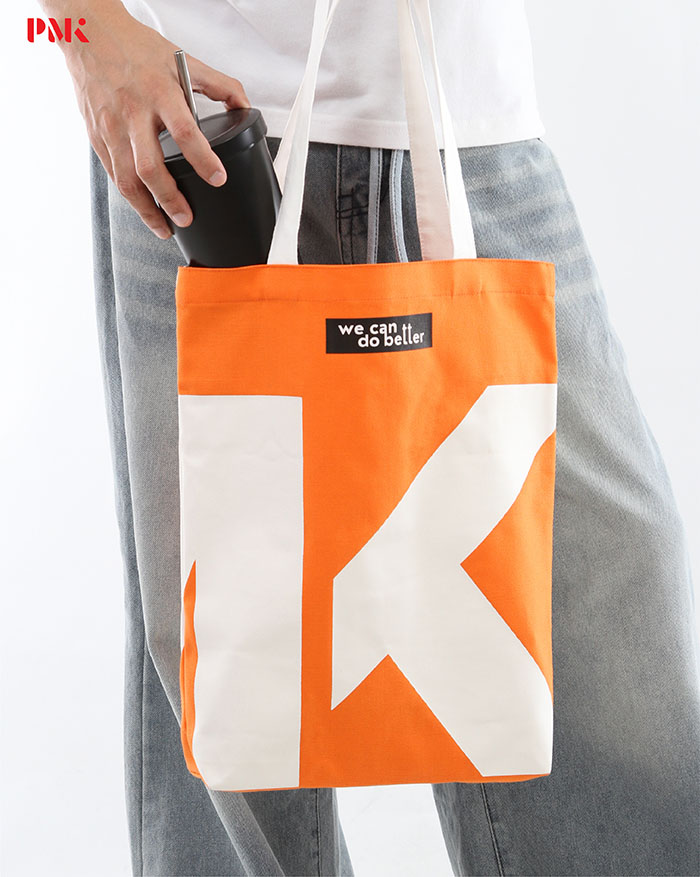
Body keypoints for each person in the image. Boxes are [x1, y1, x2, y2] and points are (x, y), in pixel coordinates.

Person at [43, 0, 700, 874]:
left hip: (466, 116)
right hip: (200, 141)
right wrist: (84, 34)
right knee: (220, 664)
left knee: (608, 604)